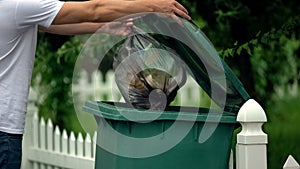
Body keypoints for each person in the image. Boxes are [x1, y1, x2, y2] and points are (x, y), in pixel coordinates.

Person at [0, 0, 190, 168]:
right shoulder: (17, 5)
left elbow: (46, 23)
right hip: (4, 132)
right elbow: (94, 8)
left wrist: (105, 26)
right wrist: (154, 5)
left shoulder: (13, 9)